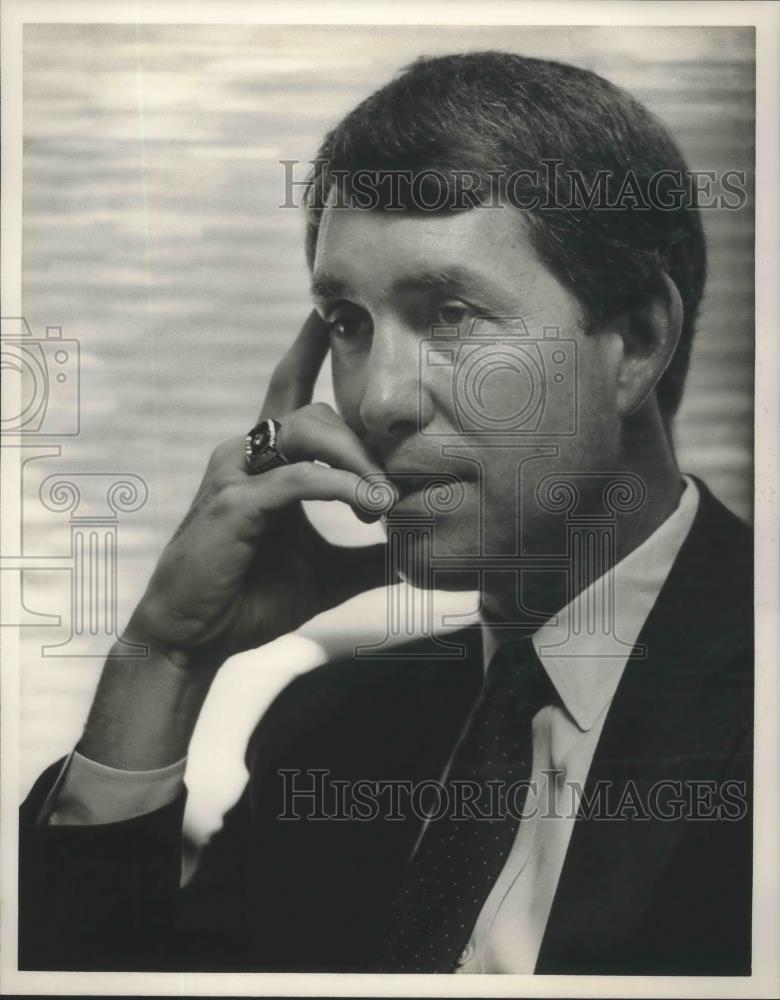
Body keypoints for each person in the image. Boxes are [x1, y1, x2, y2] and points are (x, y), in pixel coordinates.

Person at [19, 51, 752, 975]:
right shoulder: (329, 731)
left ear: (637, 343)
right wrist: (162, 661)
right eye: (348, 324)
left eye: (448, 313)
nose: (377, 402)